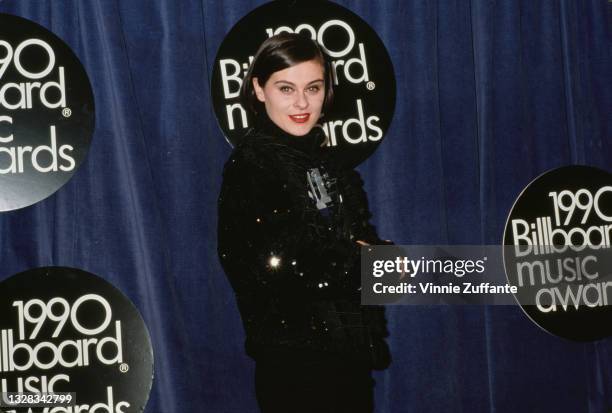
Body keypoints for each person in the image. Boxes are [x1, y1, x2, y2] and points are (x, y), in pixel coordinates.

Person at [217, 33, 391, 413]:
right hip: (295, 368)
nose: (301, 103)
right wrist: (365, 262)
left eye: (312, 88)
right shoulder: (252, 166)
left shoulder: (326, 162)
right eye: (286, 88)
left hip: (348, 360)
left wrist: (370, 260)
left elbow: (360, 242)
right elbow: (277, 265)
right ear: (259, 90)